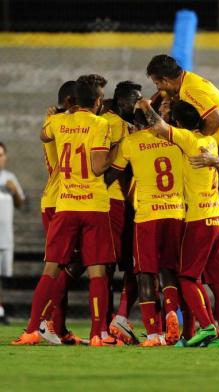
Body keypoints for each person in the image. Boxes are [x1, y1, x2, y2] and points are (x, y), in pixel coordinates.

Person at [146, 54, 219, 300]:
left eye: (158, 84)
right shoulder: (183, 86)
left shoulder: (192, 90)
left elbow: (216, 119)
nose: (158, 89)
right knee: (206, 203)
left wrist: (198, 139)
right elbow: (158, 98)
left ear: (167, 79)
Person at [12, 74, 120, 346]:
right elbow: (97, 166)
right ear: (97, 102)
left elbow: (43, 133)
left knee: (51, 269)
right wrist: (115, 153)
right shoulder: (101, 124)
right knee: (97, 270)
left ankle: (31, 330)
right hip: (94, 205)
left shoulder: (58, 122)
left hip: (66, 204)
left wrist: (57, 115)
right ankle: (98, 334)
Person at [137, 98, 219, 348]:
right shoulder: (210, 141)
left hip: (199, 220)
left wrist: (146, 105)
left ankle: (207, 326)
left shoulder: (187, 139)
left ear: (179, 122)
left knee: (187, 278)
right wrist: (214, 161)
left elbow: (158, 127)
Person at [105, 107, 185, 347]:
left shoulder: (131, 142)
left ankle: (152, 335)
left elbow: (112, 174)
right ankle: (171, 310)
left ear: (137, 126)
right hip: (176, 212)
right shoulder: (176, 138)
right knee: (169, 269)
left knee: (145, 274)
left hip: (147, 215)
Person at [40, 80, 86, 345]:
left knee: (66, 264)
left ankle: (58, 326)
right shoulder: (61, 125)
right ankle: (45, 322)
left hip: (63, 200)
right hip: (60, 200)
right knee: (67, 264)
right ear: (71, 102)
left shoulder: (54, 122)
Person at [102, 81, 142, 344]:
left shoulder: (116, 120)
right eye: (133, 100)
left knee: (130, 265)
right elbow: (113, 172)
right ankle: (108, 324)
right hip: (114, 202)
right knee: (105, 266)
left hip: (127, 204)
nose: (137, 105)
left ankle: (115, 322)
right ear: (120, 101)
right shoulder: (112, 124)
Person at [0, 142, 25, 324]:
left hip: (6, 237)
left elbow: (20, 204)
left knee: (3, 277)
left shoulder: (10, 178)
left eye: (1, 155)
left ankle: (0, 311)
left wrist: (15, 191)